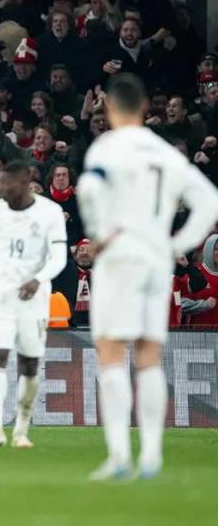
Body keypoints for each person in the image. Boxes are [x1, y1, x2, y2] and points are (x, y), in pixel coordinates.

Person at [77, 73, 218, 480]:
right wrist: (178, 245)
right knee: (150, 354)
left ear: (110, 109)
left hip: (120, 256)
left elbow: (89, 187)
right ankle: (152, 454)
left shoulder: (108, 147)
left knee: (110, 351)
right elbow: (207, 200)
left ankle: (120, 455)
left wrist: (99, 231)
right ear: (144, 109)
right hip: (157, 259)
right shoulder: (164, 153)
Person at [0, 160, 67, 448]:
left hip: (34, 298)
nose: (2, 189)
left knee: (29, 364)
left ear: (26, 180)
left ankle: (22, 431)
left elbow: (59, 258)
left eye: (7, 184)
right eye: (0, 183)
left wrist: (37, 279)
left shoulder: (50, 212)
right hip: (1, 296)